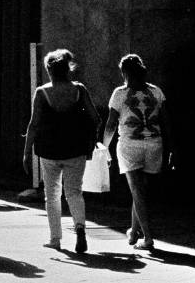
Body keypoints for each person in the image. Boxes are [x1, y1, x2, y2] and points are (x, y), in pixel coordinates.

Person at [22, 48, 100, 253]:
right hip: (76, 149)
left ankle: (55, 238)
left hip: (48, 150)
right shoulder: (79, 90)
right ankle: (80, 228)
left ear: (49, 70)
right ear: (68, 69)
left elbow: (33, 125)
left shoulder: (42, 92)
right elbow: (95, 118)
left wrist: (26, 151)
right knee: (74, 192)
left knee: (52, 195)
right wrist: (91, 143)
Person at [102, 52, 171, 253]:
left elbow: (110, 125)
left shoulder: (120, 93)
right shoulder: (156, 91)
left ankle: (147, 238)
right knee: (139, 191)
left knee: (137, 191)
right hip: (154, 144)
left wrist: (103, 147)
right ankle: (133, 232)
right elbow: (166, 122)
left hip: (130, 145)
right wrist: (172, 147)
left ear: (124, 72)